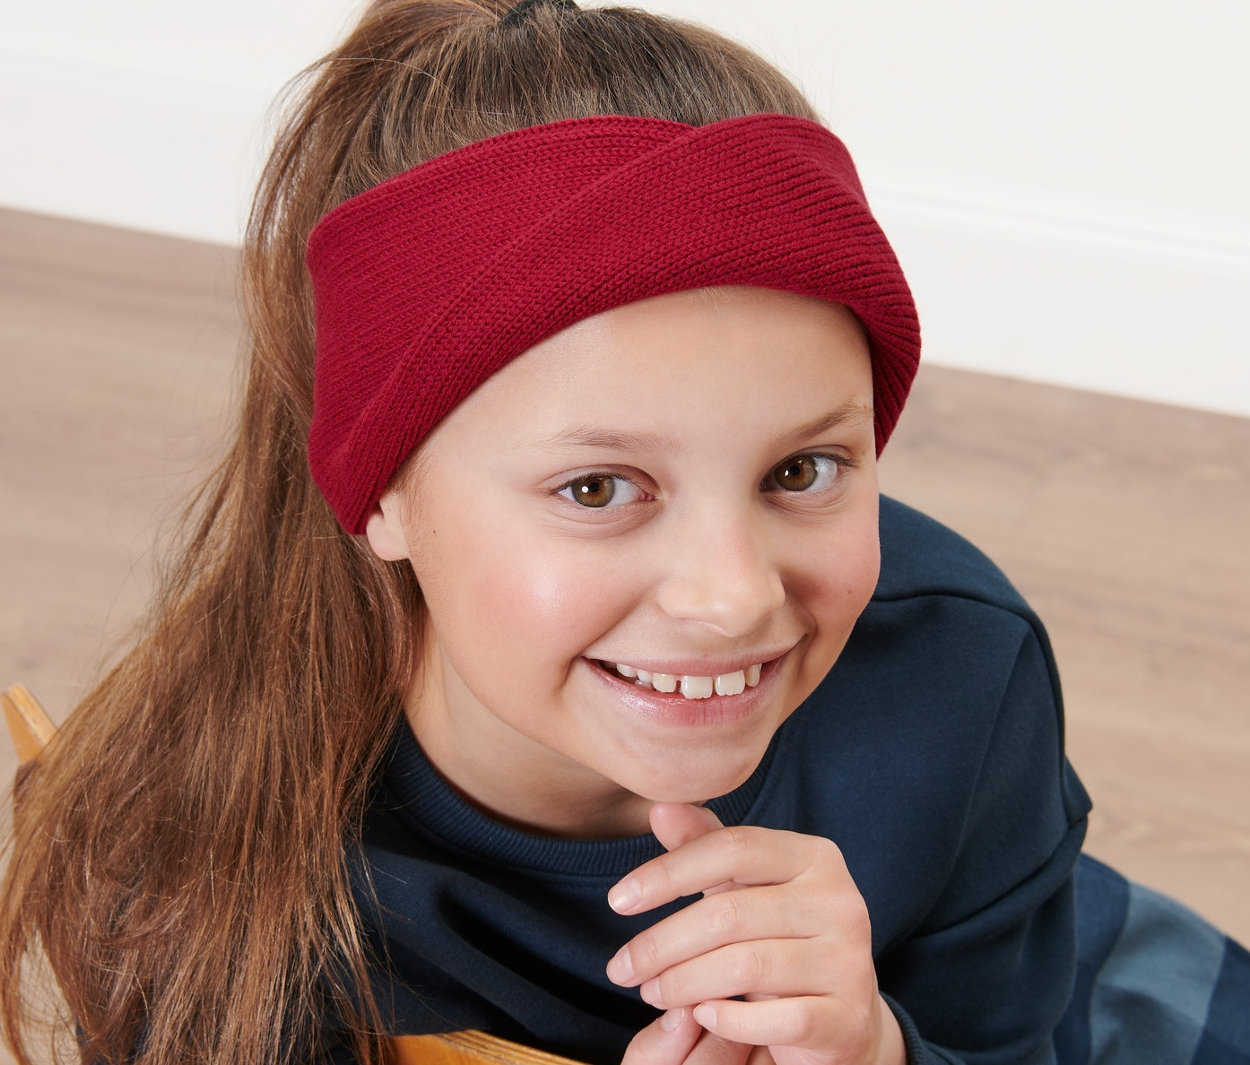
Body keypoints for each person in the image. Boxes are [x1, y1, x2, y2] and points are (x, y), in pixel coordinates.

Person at [1, 2, 1246, 1064]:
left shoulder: (950, 666)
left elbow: (1008, 1027)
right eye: (597, 488)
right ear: (379, 490)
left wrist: (876, 1047)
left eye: (800, 468)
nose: (729, 596)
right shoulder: (193, 860)